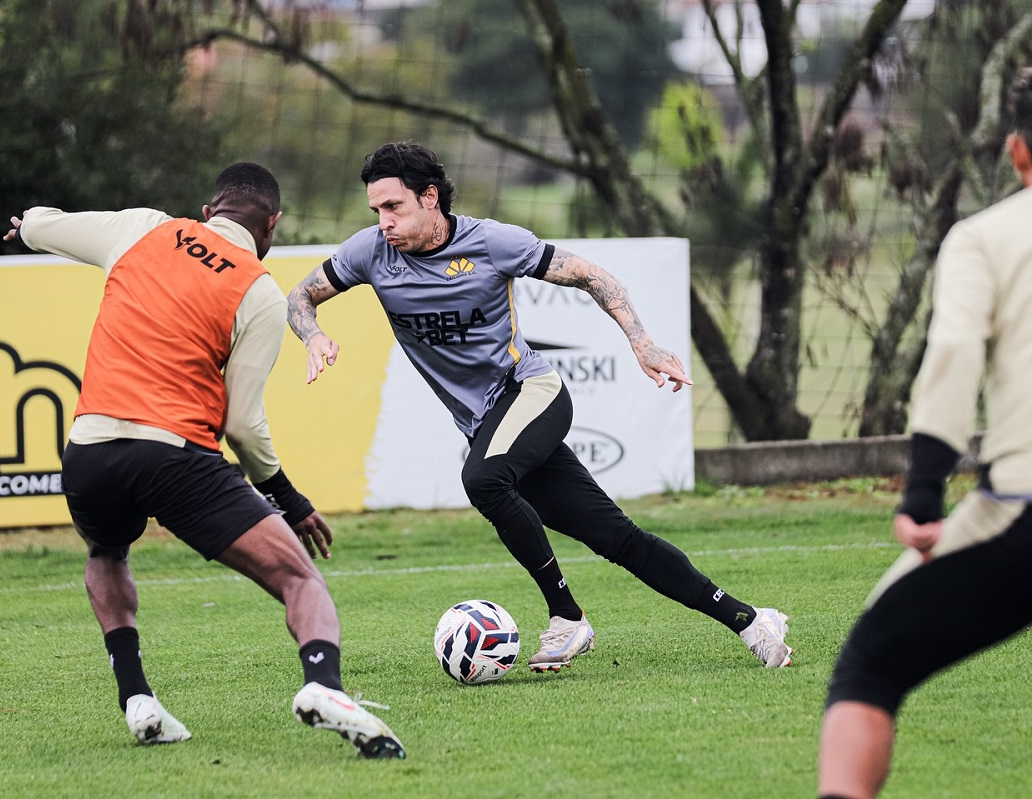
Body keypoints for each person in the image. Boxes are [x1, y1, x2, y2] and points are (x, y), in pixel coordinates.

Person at [286, 141, 792, 673]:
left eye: (394, 207)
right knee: (617, 539)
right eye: (376, 211)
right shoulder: (370, 253)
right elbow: (300, 298)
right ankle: (753, 622)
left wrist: (642, 343)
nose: (383, 222)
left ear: (430, 197)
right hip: (487, 420)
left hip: (531, 393)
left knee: (482, 480)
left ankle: (566, 617)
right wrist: (314, 336)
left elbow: (594, 276)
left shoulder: (492, 243)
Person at [2, 163, 404, 759]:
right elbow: (242, 424)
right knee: (299, 578)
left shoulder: (142, 229)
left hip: (87, 452)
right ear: (271, 225)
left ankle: (137, 697)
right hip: (172, 457)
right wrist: (291, 502)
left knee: (106, 550)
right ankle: (324, 686)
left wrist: (29, 226)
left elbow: (43, 225)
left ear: (209, 207)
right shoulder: (259, 289)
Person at [818, 67, 1032, 799]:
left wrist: (921, 493)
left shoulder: (985, 237)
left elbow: (953, 356)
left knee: (869, 667)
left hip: (1020, 512)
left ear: (1016, 152)